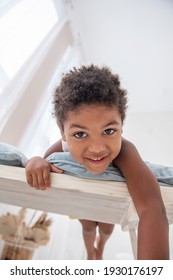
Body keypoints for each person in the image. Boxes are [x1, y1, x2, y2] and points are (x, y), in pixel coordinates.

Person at [25, 65, 169, 260]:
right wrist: (35, 161)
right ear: (63, 134)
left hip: (108, 205)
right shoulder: (61, 148)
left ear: (121, 127)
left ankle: (101, 246)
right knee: (87, 227)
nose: (97, 148)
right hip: (83, 202)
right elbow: (43, 160)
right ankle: (91, 253)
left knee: (107, 228)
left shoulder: (126, 151)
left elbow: (152, 208)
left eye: (109, 131)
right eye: (80, 134)